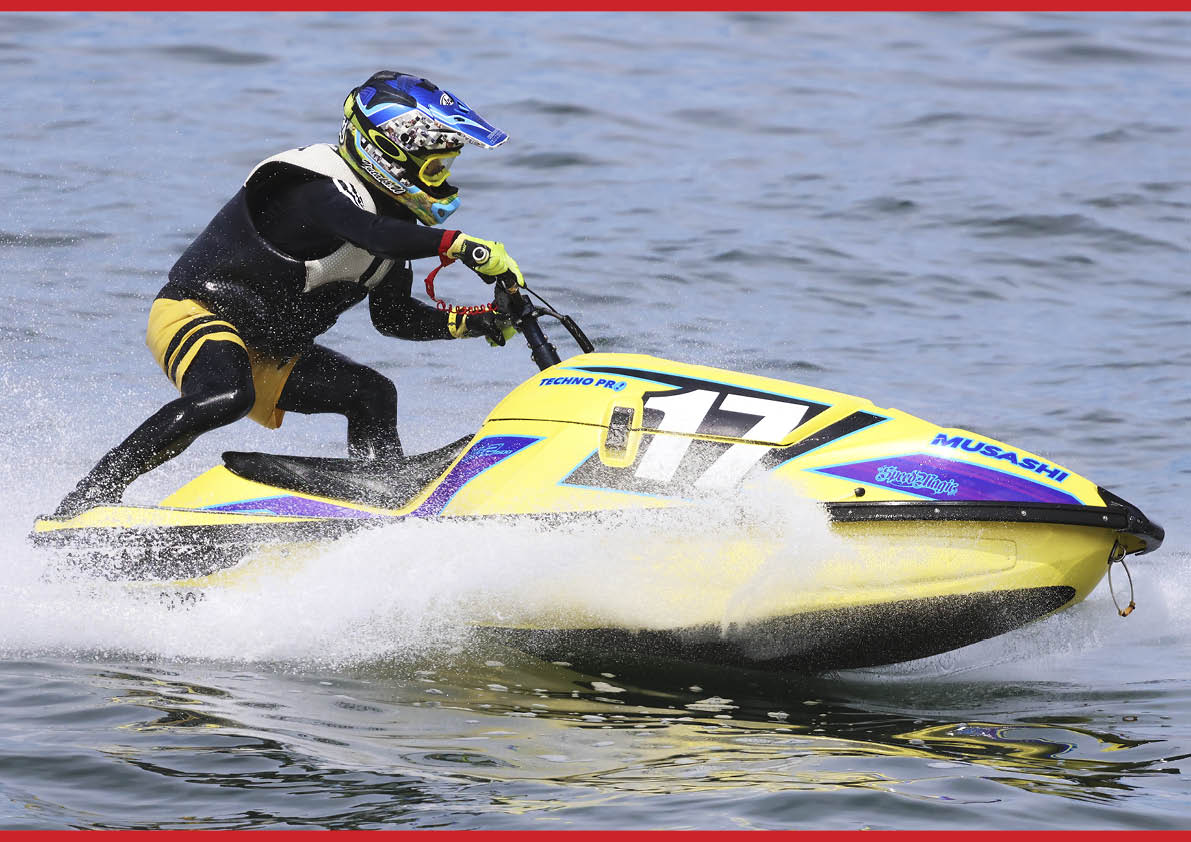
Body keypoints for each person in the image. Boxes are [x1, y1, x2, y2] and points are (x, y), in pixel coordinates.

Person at [54, 71, 523, 518]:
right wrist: (459, 245)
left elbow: (394, 317)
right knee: (228, 395)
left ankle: (383, 499)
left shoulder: (393, 233)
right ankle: (89, 497)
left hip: (267, 347)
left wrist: (480, 322)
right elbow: (368, 232)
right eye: (436, 167)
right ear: (386, 151)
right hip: (196, 313)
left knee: (371, 393)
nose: (443, 180)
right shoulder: (315, 185)